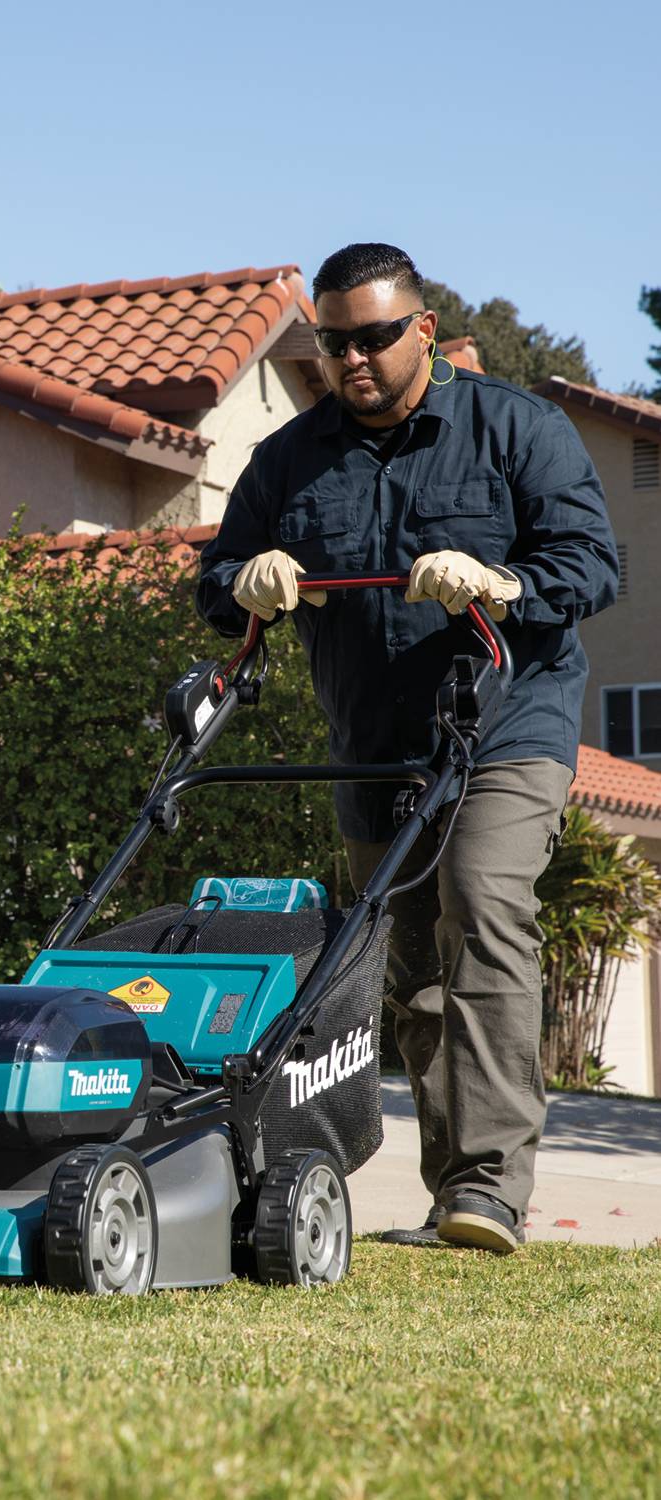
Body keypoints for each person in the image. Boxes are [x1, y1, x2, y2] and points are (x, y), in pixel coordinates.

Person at [196, 243, 618, 1254]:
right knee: (414, 963)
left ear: (423, 330)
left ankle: (493, 1187)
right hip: (373, 746)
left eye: (376, 337)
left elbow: (592, 564)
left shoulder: (516, 429)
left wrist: (502, 582)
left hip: (506, 727)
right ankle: (455, 1196)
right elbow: (214, 581)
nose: (353, 358)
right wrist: (242, 580)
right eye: (333, 342)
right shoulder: (289, 459)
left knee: (483, 902)